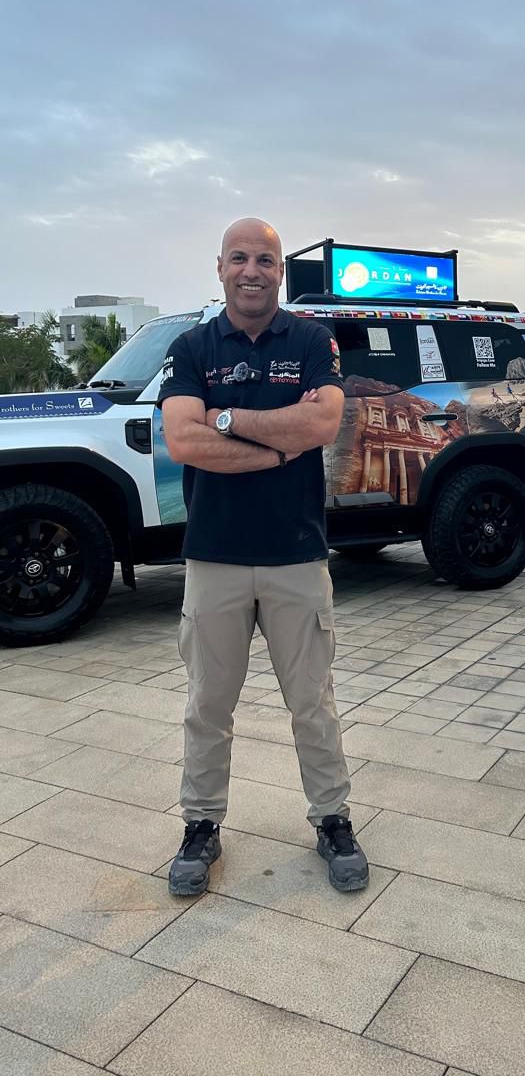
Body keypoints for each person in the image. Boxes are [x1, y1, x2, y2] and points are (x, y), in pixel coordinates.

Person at [158, 217, 369, 897]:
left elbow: (321, 422)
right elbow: (183, 442)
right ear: (220, 267)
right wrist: (279, 447)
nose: (252, 271)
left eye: (266, 260)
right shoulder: (191, 347)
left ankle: (332, 819)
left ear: (281, 271)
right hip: (214, 556)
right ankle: (201, 826)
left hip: (296, 555)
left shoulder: (311, 339)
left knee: (313, 702)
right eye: (240, 258)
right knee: (207, 705)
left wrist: (224, 417)